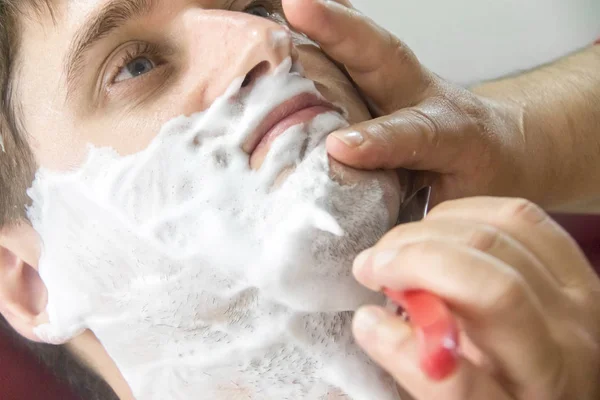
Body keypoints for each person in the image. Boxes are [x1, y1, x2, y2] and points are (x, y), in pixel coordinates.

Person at [0, 0, 597, 399]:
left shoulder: (558, 292)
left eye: (258, 3)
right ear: (28, 280)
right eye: (136, 64)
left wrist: (522, 133)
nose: (267, 37)